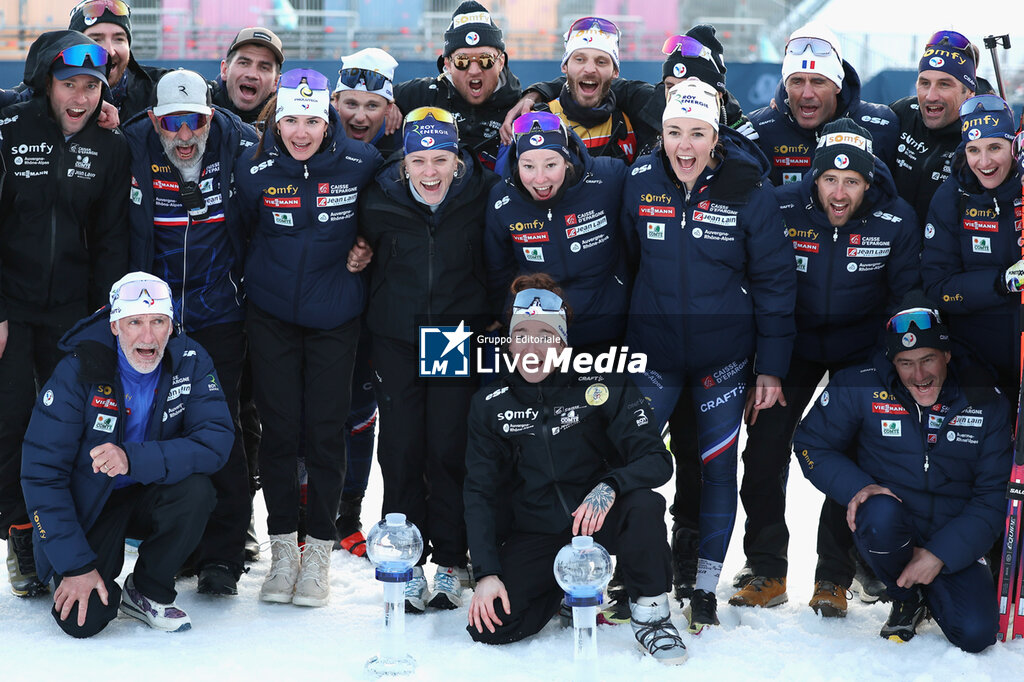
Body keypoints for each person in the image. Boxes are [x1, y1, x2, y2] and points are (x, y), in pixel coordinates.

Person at [623, 78, 797, 633]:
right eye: (674, 131)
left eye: (697, 133)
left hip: (723, 355)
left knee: (717, 468)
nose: (684, 145)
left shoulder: (749, 187)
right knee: (632, 461)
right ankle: (635, 574)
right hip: (653, 352)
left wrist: (770, 368)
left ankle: (702, 586)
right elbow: (627, 263)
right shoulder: (640, 180)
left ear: (716, 136)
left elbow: (774, 283)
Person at [729, 119, 920, 615]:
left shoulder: (894, 218)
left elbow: (905, 298)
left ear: (869, 182)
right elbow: (755, 279)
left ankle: (833, 578)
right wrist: (763, 360)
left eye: (852, 181)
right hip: (790, 343)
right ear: (814, 178)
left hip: (862, 347)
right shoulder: (781, 203)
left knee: (851, 452)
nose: (839, 191)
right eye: (829, 180)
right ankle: (767, 568)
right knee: (765, 448)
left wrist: (888, 366)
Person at [464, 276, 686, 664]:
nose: (533, 348)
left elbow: (656, 458)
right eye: (522, 335)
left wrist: (612, 485)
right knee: (490, 627)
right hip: (536, 529)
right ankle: (567, 590)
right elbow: (479, 490)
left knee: (644, 504)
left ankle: (652, 614)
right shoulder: (490, 403)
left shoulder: (602, 382)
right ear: (509, 342)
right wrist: (486, 573)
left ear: (562, 343)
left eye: (545, 336)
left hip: (596, 518)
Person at [234, 68, 382, 607]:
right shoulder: (255, 169)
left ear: (329, 121)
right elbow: (241, 229)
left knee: (324, 432)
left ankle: (318, 551)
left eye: (312, 120)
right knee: (279, 433)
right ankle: (282, 554)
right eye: (291, 119)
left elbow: (382, 218)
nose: (301, 131)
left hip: (335, 317)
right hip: (271, 314)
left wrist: (365, 243)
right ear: (276, 120)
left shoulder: (360, 164)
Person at [20, 272, 234, 637]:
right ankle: (80, 574)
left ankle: (148, 590)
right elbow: (41, 472)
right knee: (82, 621)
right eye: (135, 322)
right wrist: (74, 566)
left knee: (197, 490)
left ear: (172, 326)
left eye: (158, 322)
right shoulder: (79, 368)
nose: (147, 336)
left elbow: (215, 441)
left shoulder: (191, 360)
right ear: (115, 325)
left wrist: (132, 458)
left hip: (150, 489)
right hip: (89, 505)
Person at [794, 305, 1010, 651]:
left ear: (947, 355)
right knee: (876, 511)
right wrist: (858, 487)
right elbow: (810, 443)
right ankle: (905, 598)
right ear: (891, 362)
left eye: (928, 360)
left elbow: (992, 498)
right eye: (905, 363)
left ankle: (931, 590)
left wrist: (939, 555)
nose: (919, 375)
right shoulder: (861, 383)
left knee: (976, 634)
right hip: (892, 527)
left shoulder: (985, 401)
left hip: (952, 533)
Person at [0, 29, 129, 597]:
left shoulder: (110, 146)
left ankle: (64, 536)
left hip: (74, 314)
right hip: (10, 308)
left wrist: (103, 321)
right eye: (68, 83)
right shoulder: (7, 129)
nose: (80, 97)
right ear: (44, 82)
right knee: (10, 424)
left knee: (67, 428)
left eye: (91, 86)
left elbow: (112, 243)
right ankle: (20, 535)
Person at [123, 69, 260, 595]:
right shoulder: (131, 143)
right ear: (155, 119)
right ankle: (177, 544)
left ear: (212, 115)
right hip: (152, 316)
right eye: (172, 123)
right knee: (159, 426)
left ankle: (223, 556)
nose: (184, 136)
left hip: (219, 311)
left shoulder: (240, 141)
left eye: (195, 121)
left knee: (219, 428)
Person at [357, 106, 496, 612]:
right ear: (404, 163)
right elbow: (353, 245)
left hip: (452, 335)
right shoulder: (380, 197)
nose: (431, 171)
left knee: (446, 447)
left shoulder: (481, 194)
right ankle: (405, 560)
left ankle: (451, 561)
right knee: (400, 449)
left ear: (458, 159)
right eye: (419, 160)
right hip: (395, 335)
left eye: (441, 159)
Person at [484, 111, 628, 349]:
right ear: (516, 163)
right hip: (539, 333)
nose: (540, 179)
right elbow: (498, 269)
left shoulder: (609, 178)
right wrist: (503, 316)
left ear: (567, 159)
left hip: (606, 326)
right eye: (528, 166)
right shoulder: (501, 199)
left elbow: (635, 238)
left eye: (551, 164)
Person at [922, 94, 1022, 403]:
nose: (985, 162)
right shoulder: (952, 197)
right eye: (974, 150)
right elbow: (938, 288)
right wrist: (1002, 282)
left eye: (995, 148)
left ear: (1014, 147)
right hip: (976, 360)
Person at [748, 22, 898, 186]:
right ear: (786, 85)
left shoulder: (882, 126)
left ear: (838, 86)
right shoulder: (759, 129)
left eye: (818, 82)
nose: (807, 94)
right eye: (796, 82)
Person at [393, 1, 521, 168]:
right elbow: (362, 93)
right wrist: (386, 102)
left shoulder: (519, 106)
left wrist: (537, 93)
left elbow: (565, 86)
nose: (474, 70)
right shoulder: (423, 95)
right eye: (462, 61)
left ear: (501, 61)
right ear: (447, 64)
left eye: (485, 60)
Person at [890, 31, 978, 224]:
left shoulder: (980, 138)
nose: (931, 96)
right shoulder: (901, 113)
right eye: (924, 83)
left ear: (969, 93)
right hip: (894, 247)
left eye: (944, 85)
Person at [538, 17, 638, 163]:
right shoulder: (538, 119)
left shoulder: (631, 120)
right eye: (580, 59)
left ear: (615, 71)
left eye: (601, 62)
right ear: (565, 66)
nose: (590, 69)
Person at [68, 0, 170, 121]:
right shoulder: (54, 94)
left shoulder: (159, 88)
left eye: (119, 39)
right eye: (96, 39)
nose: (110, 51)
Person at [331, 47, 400, 155]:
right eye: (352, 104)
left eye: (372, 106)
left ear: (388, 108)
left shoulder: (404, 144)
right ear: (336, 102)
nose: (360, 117)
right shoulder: (317, 137)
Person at [213, 27, 284, 125]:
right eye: (244, 63)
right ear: (225, 70)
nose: (252, 75)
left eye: (264, 68)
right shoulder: (200, 105)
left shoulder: (284, 121)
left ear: (276, 82)